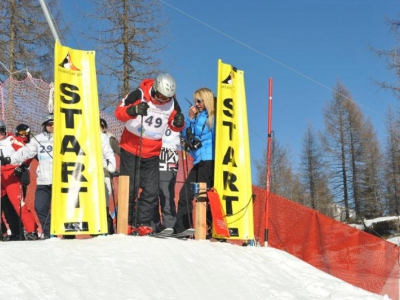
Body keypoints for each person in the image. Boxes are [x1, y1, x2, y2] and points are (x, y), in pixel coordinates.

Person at [114, 73, 185, 236]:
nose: (161, 100)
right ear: (155, 88)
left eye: (166, 97)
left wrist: (179, 124)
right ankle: (127, 221)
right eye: (159, 95)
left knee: (151, 190)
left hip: (152, 152)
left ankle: (143, 223)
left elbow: (175, 123)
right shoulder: (139, 93)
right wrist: (133, 110)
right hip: (131, 147)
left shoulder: (172, 103)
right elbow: (119, 112)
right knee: (130, 187)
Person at [174, 87, 216, 236]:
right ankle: (183, 229)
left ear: (207, 100)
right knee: (186, 193)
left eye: (199, 101)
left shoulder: (214, 117)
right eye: (195, 101)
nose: (196, 104)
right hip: (199, 160)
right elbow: (187, 134)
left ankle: (210, 230)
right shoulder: (197, 117)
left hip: (210, 161)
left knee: (205, 196)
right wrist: (190, 118)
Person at [6, 114, 54, 239]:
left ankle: (41, 231)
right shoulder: (36, 139)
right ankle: (47, 233)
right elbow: (25, 153)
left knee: (20, 203)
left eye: (26, 133)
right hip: (43, 178)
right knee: (39, 207)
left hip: (58, 177)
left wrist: (22, 166)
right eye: (21, 133)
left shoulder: (62, 137)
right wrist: (9, 159)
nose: (24, 135)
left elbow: (27, 157)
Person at [0, 121, 38, 240]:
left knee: (18, 204)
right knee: (5, 207)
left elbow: (27, 152)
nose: (0, 134)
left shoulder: (12, 139)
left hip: (11, 174)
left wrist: (22, 166)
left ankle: (31, 230)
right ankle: (13, 232)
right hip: (1, 175)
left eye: (1, 131)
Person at [152, 125, 180, 233]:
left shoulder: (177, 119)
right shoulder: (155, 113)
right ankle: (153, 224)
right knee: (151, 191)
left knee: (166, 192)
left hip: (169, 156)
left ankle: (169, 225)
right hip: (153, 154)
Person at [100, 118, 118, 234]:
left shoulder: (109, 138)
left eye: (101, 126)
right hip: (89, 176)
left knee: (103, 203)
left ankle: (107, 230)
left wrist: (114, 168)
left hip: (105, 175)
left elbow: (120, 151)